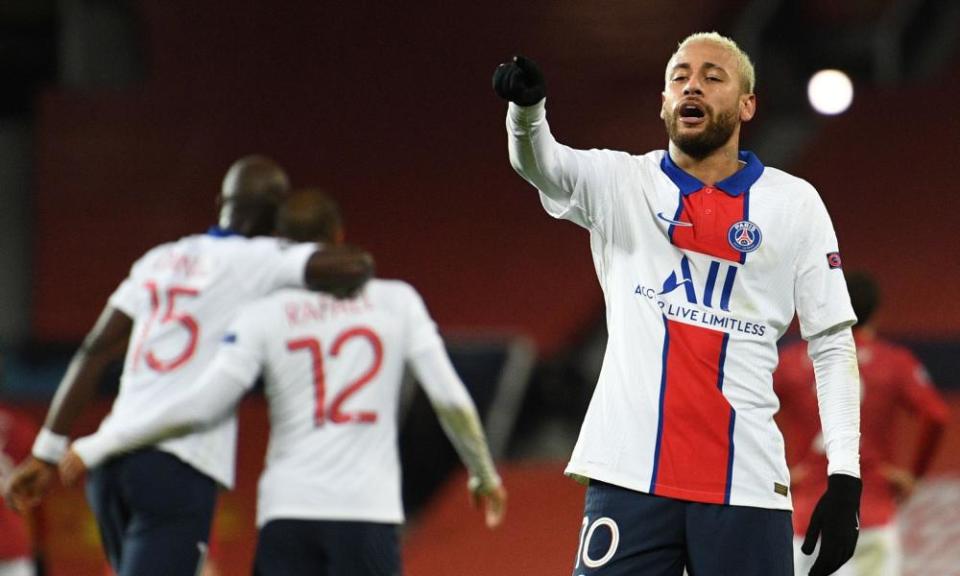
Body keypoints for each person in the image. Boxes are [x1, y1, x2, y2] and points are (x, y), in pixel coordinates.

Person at [492, 32, 861, 576]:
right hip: (629, 478)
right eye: (680, 77)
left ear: (746, 104)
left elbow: (830, 343)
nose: (693, 84)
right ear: (665, 102)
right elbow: (541, 164)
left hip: (747, 484)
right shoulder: (621, 182)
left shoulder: (795, 204)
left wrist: (845, 476)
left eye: (713, 77)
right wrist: (527, 112)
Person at [58, 189, 508, 576]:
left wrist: (101, 443)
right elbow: (451, 400)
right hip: (366, 511)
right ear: (338, 238)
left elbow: (200, 406)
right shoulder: (397, 301)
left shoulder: (263, 316)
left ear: (281, 246)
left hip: (287, 513)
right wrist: (483, 474)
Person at [2, 156, 374, 576]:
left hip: (110, 468)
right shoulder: (260, 258)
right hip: (175, 463)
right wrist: (299, 242)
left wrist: (45, 453)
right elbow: (355, 266)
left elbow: (95, 350)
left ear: (221, 202)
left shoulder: (159, 260)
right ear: (276, 216)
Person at [776, 271, 950, 576]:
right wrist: (914, 475)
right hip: (872, 513)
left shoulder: (791, 362)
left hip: (807, 519)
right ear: (877, 314)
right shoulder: (894, 362)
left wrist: (777, 473)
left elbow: (742, 410)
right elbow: (937, 415)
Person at [0, 401, 44, 576]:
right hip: (14, 540)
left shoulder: (21, 426)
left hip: (13, 545)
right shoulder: (20, 425)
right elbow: (37, 495)